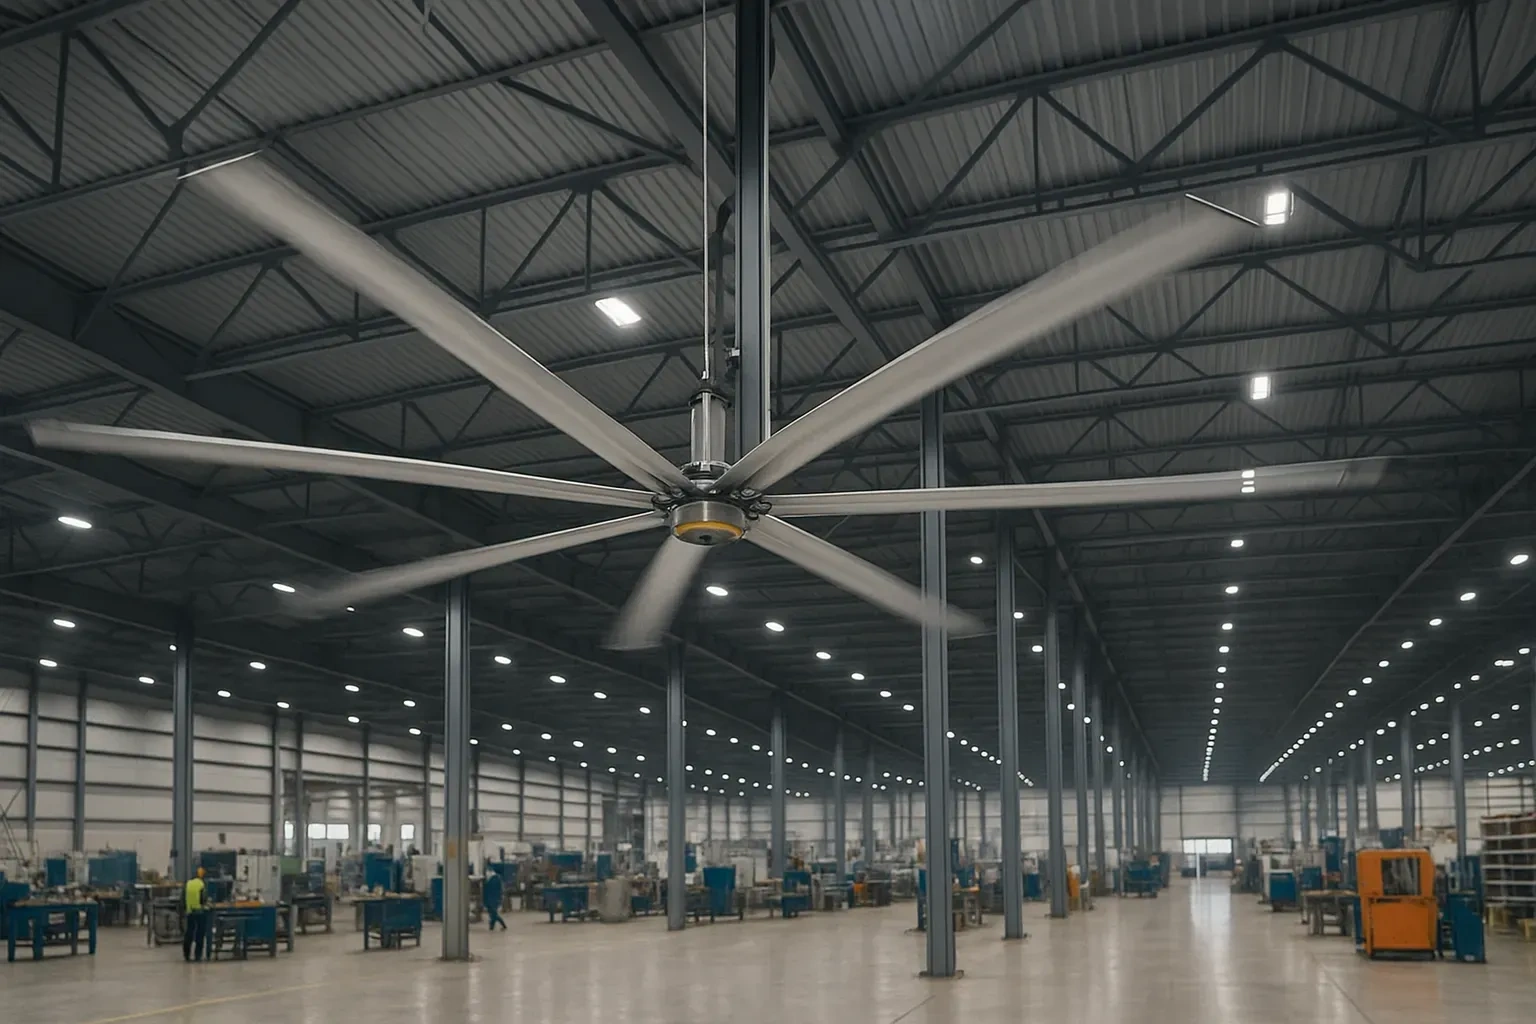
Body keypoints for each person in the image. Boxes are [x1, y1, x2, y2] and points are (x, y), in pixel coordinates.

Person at [182, 866, 208, 962]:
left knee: (189, 933)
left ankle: (187, 955)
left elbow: (183, 898)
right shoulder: (201, 884)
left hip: (190, 912)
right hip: (200, 912)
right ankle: (198, 956)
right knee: (200, 934)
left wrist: (184, 909)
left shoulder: (188, 884)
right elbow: (203, 899)